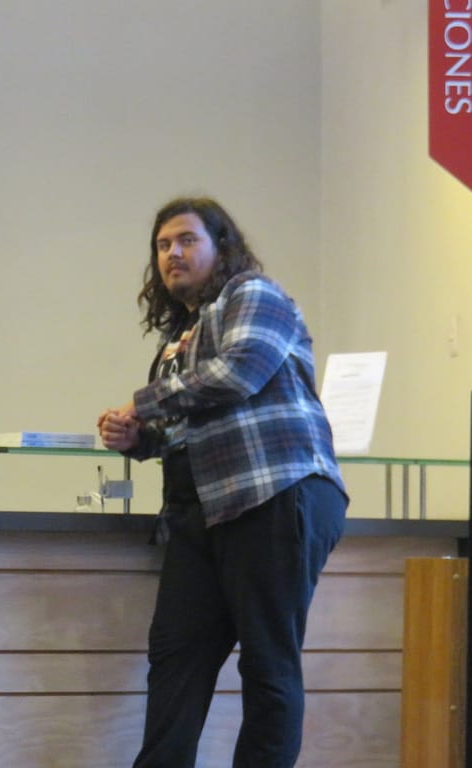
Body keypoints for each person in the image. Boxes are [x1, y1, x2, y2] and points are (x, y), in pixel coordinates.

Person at [97, 197, 348, 768]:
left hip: (273, 494)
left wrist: (140, 404)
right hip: (201, 512)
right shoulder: (179, 336)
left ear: (221, 246)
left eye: (187, 240)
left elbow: (240, 372)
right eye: (163, 245)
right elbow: (183, 428)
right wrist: (138, 438)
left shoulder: (253, 293)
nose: (173, 253)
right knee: (175, 658)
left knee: (267, 665)